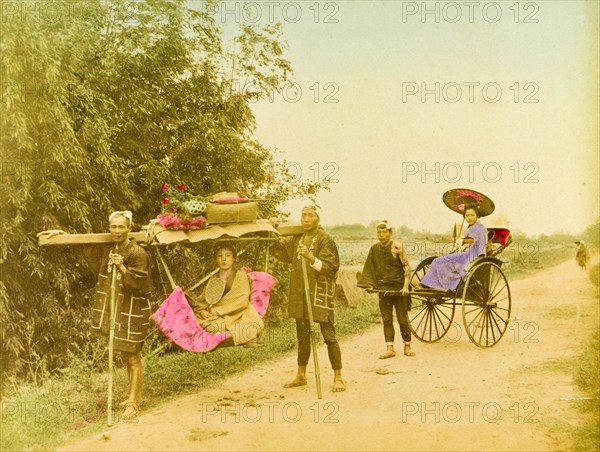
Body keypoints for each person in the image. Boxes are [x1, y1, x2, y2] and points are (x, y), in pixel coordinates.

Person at [83, 211, 152, 421]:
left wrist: (122, 266)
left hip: (134, 308)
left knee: (133, 356)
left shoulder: (138, 253)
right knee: (125, 354)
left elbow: (140, 284)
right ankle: (135, 396)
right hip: (118, 309)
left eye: (121, 227)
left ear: (129, 228)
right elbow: (93, 262)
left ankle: (133, 403)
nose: (116, 231)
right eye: (113, 227)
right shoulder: (111, 250)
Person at [270, 205, 345, 392]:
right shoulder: (298, 238)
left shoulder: (325, 239)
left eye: (310, 215)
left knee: (328, 335)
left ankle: (338, 377)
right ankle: (301, 374)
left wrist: (310, 256)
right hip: (300, 292)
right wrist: (271, 232)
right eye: (303, 215)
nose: (305, 219)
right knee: (302, 336)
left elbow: (331, 267)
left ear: (318, 218)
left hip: (319, 293)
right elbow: (283, 254)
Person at [357, 221, 415, 358]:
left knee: (402, 319)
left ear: (390, 233)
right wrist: (370, 285)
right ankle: (390, 348)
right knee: (387, 319)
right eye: (379, 232)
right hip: (383, 289)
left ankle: (407, 346)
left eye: (384, 232)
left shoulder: (397, 246)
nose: (381, 235)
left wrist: (406, 287)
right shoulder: (374, 249)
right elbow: (369, 269)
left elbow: (407, 267)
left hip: (399, 289)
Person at [190, 245, 264, 346]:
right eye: (220, 256)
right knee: (202, 325)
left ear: (234, 258)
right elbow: (204, 300)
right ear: (216, 259)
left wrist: (218, 311)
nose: (224, 259)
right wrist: (202, 311)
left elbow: (242, 301)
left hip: (238, 314)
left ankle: (237, 336)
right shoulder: (214, 278)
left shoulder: (240, 276)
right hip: (216, 316)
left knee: (248, 326)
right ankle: (229, 335)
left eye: (228, 256)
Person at [421, 204, 487, 291]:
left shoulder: (480, 229)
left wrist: (478, 258)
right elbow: (462, 242)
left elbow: (481, 246)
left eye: (472, 215)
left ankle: (442, 285)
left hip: (472, 255)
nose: (469, 218)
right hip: (465, 253)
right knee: (438, 260)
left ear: (477, 216)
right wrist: (457, 247)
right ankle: (432, 284)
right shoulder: (469, 228)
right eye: (467, 215)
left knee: (443, 261)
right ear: (464, 216)